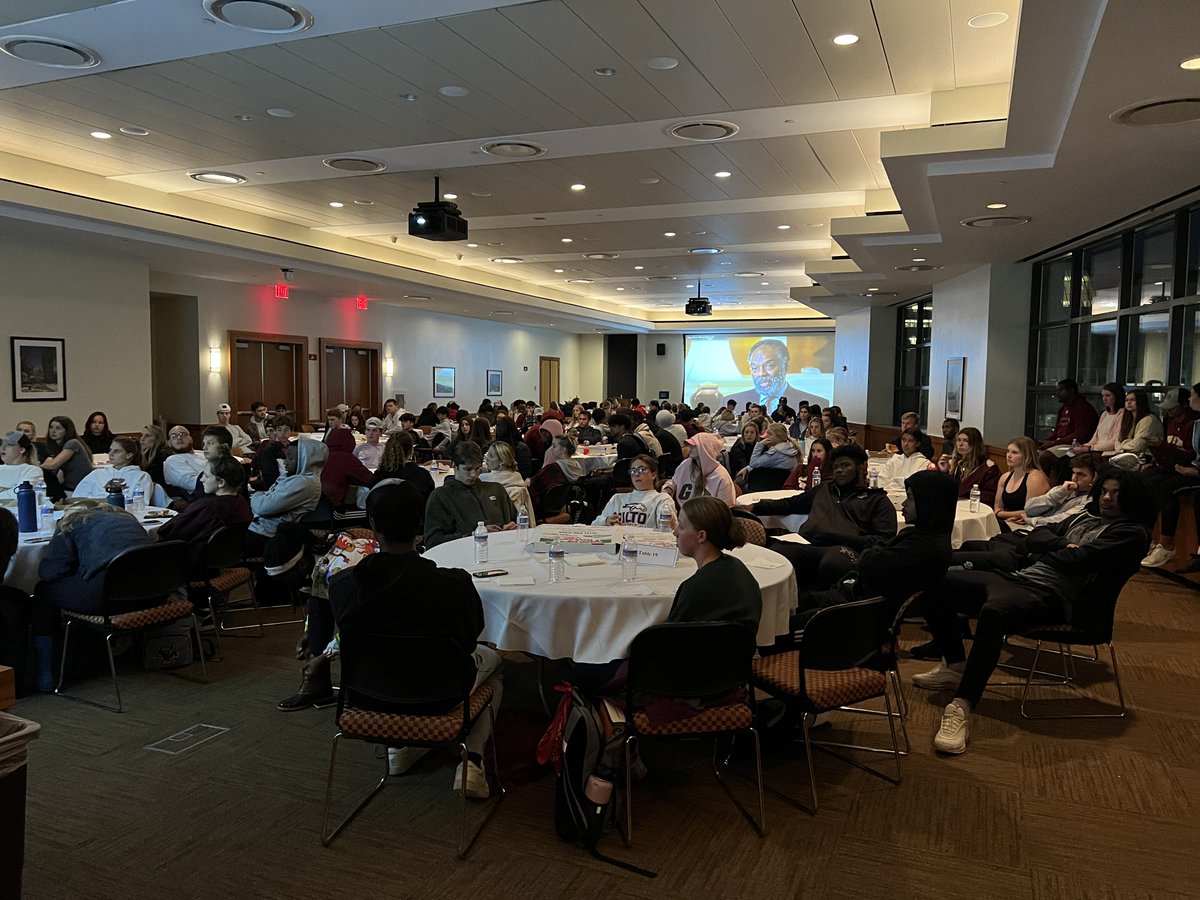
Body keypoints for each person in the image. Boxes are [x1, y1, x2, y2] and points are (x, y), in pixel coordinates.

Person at [914, 467, 1156, 755]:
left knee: (994, 612)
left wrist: (1051, 549)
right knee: (931, 581)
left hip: (1056, 599)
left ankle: (962, 704)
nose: (1107, 498)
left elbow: (1078, 560)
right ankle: (955, 664)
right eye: (1104, 491)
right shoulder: (1085, 515)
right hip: (1021, 578)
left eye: (1116, 494)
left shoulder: (1131, 533)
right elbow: (1036, 536)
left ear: (1132, 498)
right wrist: (1060, 545)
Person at [336, 482, 502, 796]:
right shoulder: (453, 585)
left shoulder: (343, 586)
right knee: (497, 664)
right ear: (420, 526)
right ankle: (473, 762)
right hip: (443, 694)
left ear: (372, 525)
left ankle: (399, 749)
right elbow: (471, 639)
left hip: (366, 695)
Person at [788, 470, 958, 630]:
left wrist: (871, 554)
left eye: (911, 499)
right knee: (796, 600)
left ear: (929, 505)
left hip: (854, 611)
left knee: (780, 627)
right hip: (850, 597)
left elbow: (869, 563)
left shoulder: (923, 547)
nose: (904, 504)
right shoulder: (917, 536)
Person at [32, 503, 153, 690]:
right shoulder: (128, 521)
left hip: (109, 600)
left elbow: (50, 573)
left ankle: (45, 673)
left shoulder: (70, 524)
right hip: (152, 596)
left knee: (42, 591)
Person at [753, 444, 897, 588]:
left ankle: (821, 605)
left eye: (846, 465)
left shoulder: (876, 500)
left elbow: (884, 540)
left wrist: (845, 538)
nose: (839, 470)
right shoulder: (825, 489)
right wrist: (755, 507)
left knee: (833, 563)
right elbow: (791, 503)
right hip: (808, 543)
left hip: (845, 547)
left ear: (860, 467)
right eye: (836, 467)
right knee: (776, 555)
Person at [156, 454, 252, 574]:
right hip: (222, 562)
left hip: (194, 567)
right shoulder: (241, 502)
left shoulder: (208, 506)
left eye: (206, 476)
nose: (201, 480)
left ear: (221, 482)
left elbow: (168, 532)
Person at [1141, 382, 1200, 571]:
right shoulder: (1171, 420)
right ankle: (1146, 537)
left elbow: (1193, 455)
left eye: (1193, 396)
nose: (1191, 399)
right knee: (1147, 478)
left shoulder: (1194, 422)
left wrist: (1196, 470)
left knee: (1168, 486)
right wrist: (1158, 458)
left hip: (1191, 471)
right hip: (1178, 466)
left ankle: (1167, 545)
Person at [423, 441, 518, 548]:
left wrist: (514, 528)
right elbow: (432, 541)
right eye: (467, 469)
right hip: (464, 556)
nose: (473, 474)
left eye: (477, 468)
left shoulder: (497, 489)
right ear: (454, 466)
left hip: (503, 550)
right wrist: (472, 535)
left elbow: (516, 521)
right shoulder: (440, 496)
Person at [245, 438, 327, 556]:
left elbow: (262, 507)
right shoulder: (292, 477)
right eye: (286, 457)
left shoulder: (305, 483)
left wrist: (256, 496)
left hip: (267, 535)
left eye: (291, 458)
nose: (285, 462)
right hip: (261, 530)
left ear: (306, 460)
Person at [721, 338, 827, 410]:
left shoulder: (815, 403)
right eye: (755, 368)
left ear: (785, 366)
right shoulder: (733, 401)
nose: (761, 373)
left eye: (769, 366)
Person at [1037, 378, 1099, 478]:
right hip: (1060, 443)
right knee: (1032, 451)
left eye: (1061, 390)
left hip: (1074, 445)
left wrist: (1054, 443)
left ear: (1071, 391)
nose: (1058, 392)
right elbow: (1057, 432)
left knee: (1045, 457)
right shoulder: (1063, 408)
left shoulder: (1082, 408)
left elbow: (1080, 435)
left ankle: (1044, 484)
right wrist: (1046, 441)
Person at [593, 454, 676, 527]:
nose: (636, 474)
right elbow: (594, 525)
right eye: (633, 471)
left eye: (641, 470)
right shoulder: (617, 499)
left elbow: (669, 528)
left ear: (653, 475)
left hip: (646, 542)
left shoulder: (662, 499)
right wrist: (606, 520)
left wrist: (668, 522)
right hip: (619, 541)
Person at [70, 436, 155, 501]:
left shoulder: (141, 477)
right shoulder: (96, 474)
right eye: (110, 450)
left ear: (129, 455)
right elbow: (77, 498)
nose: (110, 454)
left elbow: (140, 503)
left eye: (116, 451)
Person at [663, 433, 736, 507]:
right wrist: (668, 489)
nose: (690, 447)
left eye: (694, 446)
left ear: (705, 449)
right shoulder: (686, 464)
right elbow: (674, 481)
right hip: (683, 514)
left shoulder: (721, 477)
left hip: (708, 517)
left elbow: (727, 508)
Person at [994, 436, 1050, 530]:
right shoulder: (1005, 477)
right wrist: (1005, 517)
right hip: (1006, 522)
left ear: (1027, 455)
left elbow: (1030, 512)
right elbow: (997, 508)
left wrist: (1001, 514)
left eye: (1014, 452)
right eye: (1008, 451)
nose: (1009, 455)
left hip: (1027, 526)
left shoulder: (1035, 477)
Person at [369, 429, 435, 503]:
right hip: (415, 513)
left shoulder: (379, 475)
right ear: (411, 451)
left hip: (383, 513)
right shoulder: (422, 475)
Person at [528, 434, 584, 520]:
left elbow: (534, 486)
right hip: (562, 506)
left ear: (563, 450)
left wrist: (528, 481)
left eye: (554, 446)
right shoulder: (577, 467)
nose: (551, 449)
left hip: (542, 508)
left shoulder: (553, 469)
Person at [941, 426, 1000, 505]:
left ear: (975, 444)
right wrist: (944, 472)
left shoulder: (988, 468)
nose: (960, 444)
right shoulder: (957, 464)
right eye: (958, 440)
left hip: (974, 507)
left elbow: (988, 497)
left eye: (965, 441)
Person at [320, 427, 374, 509]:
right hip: (333, 507)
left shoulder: (321, 455)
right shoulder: (346, 458)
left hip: (317, 502)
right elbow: (369, 479)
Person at [40, 415, 92, 499]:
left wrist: (34, 466)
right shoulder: (57, 448)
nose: (53, 431)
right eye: (51, 427)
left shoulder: (73, 443)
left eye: (58, 428)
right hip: (70, 487)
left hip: (79, 489)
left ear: (67, 431)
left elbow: (53, 465)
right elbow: (50, 467)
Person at [735, 422, 801, 486]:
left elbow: (753, 464)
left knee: (738, 482)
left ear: (779, 437)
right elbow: (765, 463)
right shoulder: (788, 447)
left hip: (767, 483)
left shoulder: (776, 452)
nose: (766, 436)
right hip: (780, 482)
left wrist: (759, 445)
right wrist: (748, 468)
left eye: (770, 434)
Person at [1110, 390, 1163, 460]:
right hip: (1128, 457)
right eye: (1126, 400)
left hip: (1146, 458)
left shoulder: (1148, 419)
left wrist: (1122, 445)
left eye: (1132, 400)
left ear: (1140, 401)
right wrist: (1124, 446)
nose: (1128, 403)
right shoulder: (1128, 419)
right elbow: (1117, 441)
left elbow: (1137, 446)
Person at [878, 430, 934, 496]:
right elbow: (882, 480)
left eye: (910, 441)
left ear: (918, 444)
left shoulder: (924, 464)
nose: (905, 444)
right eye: (903, 440)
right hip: (888, 495)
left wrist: (894, 481)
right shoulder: (893, 460)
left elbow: (916, 486)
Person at [162, 425, 207, 493]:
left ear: (191, 439)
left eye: (183, 434)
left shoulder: (204, 453)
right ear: (169, 443)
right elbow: (197, 484)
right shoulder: (172, 461)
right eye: (174, 436)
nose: (179, 438)